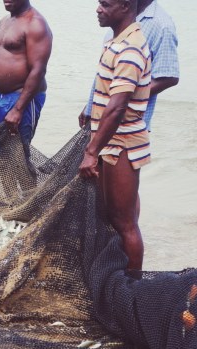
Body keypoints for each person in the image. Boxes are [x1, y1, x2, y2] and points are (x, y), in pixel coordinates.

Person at [79, 0, 152, 277]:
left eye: (106, 4)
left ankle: (132, 288)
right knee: (114, 216)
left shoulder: (130, 48)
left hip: (122, 145)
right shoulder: (115, 41)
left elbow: (118, 106)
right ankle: (118, 276)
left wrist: (90, 151)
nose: (98, 9)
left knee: (125, 223)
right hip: (111, 142)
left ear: (124, 7)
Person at [79, 0, 179, 131]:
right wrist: (91, 105)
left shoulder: (162, 26)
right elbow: (107, 71)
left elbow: (168, 78)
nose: (99, 9)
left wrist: (119, 98)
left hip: (128, 124)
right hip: (101, 115)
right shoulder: (118, 17)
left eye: (104, 4)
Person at [0, 0, 52, 158]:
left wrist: (18, 109)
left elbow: (38, 70)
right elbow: (1, 59)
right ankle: (7, 184)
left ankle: (31, 184)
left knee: (20, 154)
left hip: (22, 99)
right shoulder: (4, 21)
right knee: (3, 153)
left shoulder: (35, 24)